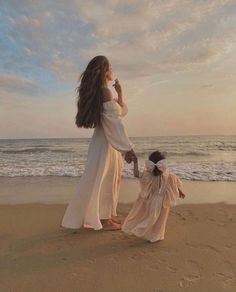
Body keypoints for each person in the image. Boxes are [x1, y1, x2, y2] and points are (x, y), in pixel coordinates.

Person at [61, 55, 137, 231]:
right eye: (110, 67)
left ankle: (106, 217)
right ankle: (103, 220)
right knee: (106, 179)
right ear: (104, 70)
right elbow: (114, 122)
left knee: (104, 178)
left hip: (103, 140)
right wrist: (128, 147)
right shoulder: (104, 92)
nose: (112, 70)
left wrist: (120, 93)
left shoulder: (104, 92)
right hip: (106, 142)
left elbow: (119, 114)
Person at [121, 150, 186, 242]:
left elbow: (136, 174)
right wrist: (180, 192)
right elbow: (174, 184)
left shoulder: (149, 174)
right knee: (160, 219)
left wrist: (135, 163)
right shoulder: (168, 175)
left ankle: (150, 233)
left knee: (151, 217)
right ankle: (153, 234)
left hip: (152, 200)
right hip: (163, 201)